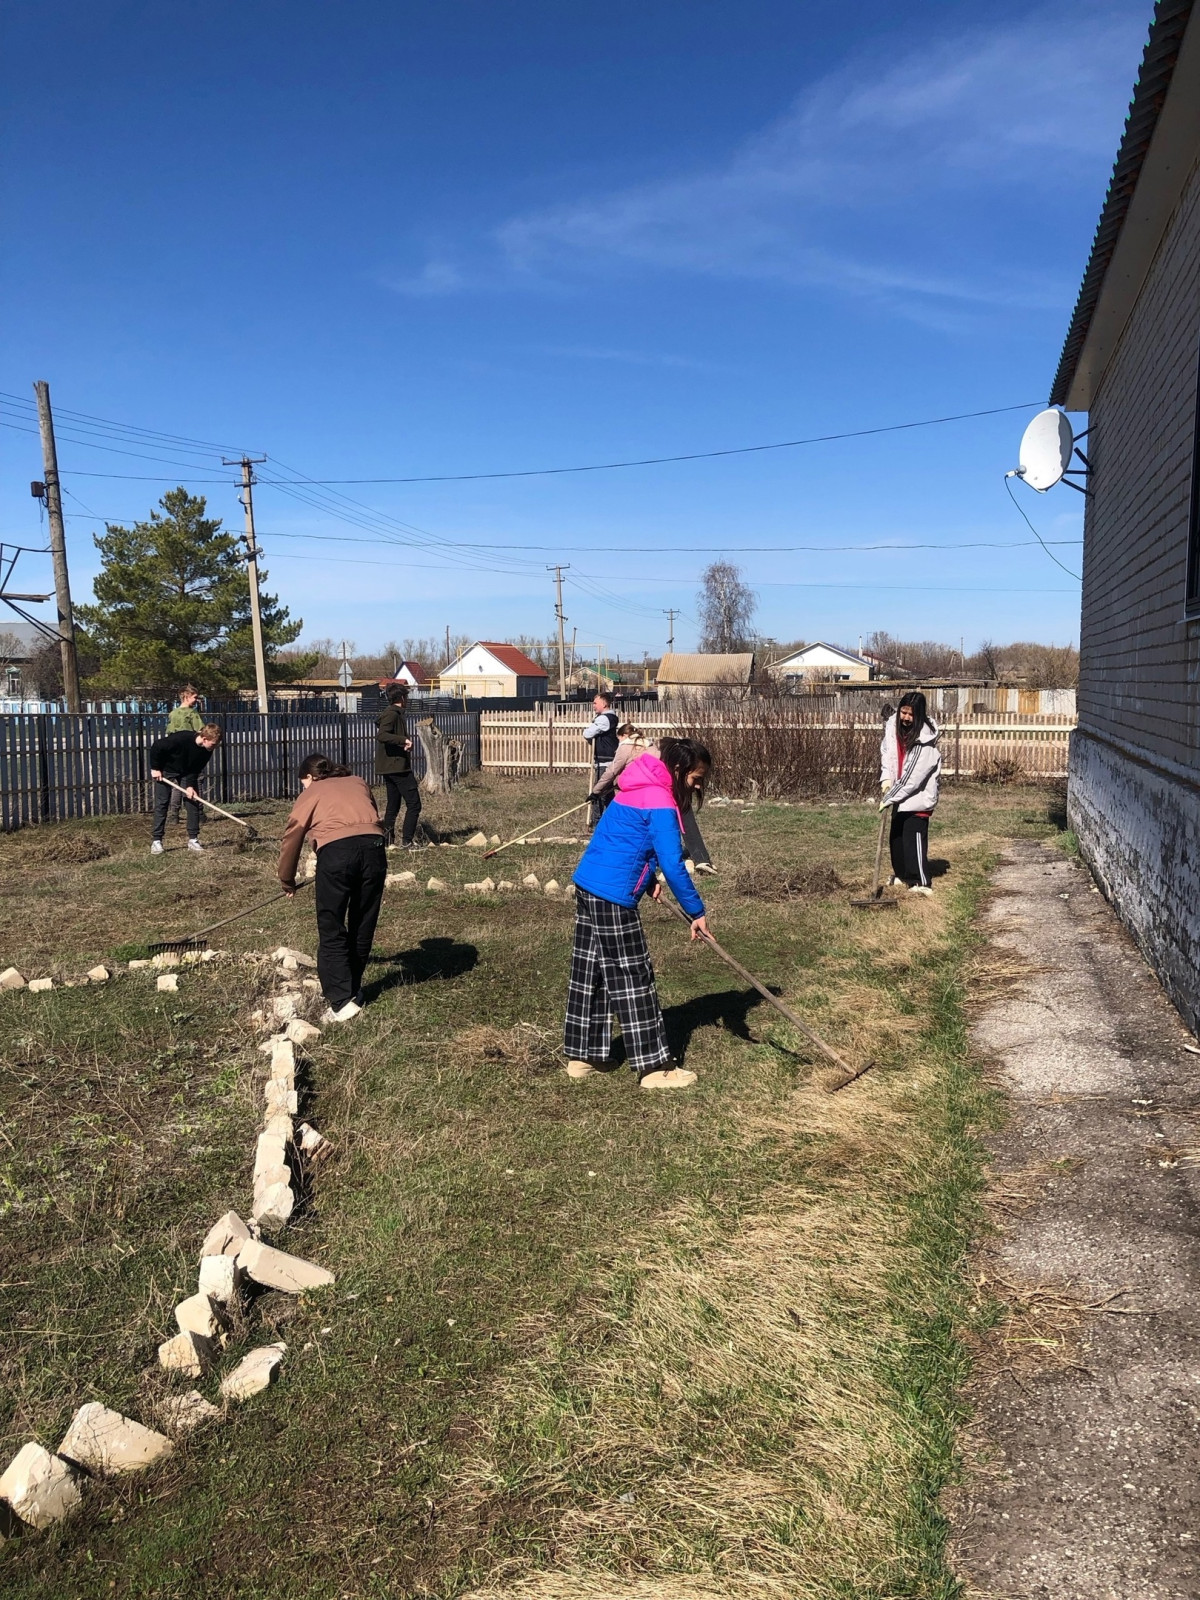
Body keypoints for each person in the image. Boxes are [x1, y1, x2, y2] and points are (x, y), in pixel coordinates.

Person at [566, 736, 712, 1090]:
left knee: (593, 970)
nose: (697, 786)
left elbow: (622, 839)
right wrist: (697, 910)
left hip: (590, 884)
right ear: (677, 770)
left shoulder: (635, 785)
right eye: (695, 779)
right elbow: (674, 865)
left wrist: (645, 881)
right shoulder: (660, 799)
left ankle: (585, 1056)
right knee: (633, 975)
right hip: (613, 896)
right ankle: (654, 1067)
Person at [277, 754, 387, 1024]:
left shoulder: (313, 791)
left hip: (337, 855)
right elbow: (370, 816)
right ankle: (353, 989)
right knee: (363, 922)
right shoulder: (358, 781)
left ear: (310, 777)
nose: (303, 787)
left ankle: (340, 1002)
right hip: (374, 851)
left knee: (332, 924)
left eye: (303, 782)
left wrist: (286, 879)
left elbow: (293, 834)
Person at [592, 726, 718, 876]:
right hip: (658, 788)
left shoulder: (626, 748)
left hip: (654, 791)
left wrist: (596, 791)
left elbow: (612, 771)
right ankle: (699, 858)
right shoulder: (651, 745)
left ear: (625, 735)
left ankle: (688, 859)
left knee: (667, 823)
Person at [880, 691, 941, 895]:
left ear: (920, 716)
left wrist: (890, 796)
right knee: (896, 839)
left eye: (911, 714)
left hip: (917, 798)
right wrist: (886, 779)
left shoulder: (925, 742)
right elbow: (887, 756)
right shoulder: (894, 730)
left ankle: (921, 882)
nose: (905, 718)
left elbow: (912, 779)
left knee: (912, 837)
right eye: (903, 712)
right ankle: (903, 875)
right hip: (900, 794)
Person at [149, 723, 223, 854]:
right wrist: (155, 768)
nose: (214, 747)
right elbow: (157, 746)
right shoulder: (181, 739)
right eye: (213, 744)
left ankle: (193, 840)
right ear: (204, 738)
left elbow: (195, 768)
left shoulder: (207, 750)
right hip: (166, 770)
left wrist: (189, 785)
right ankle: (157, 841)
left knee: (193, 801)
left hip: (186, 772)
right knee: (162, 803)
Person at [376, 683, 423, 847]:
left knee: (393, 805)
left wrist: (401, 743)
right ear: (402, 698)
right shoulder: (392, 714)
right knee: (414, 804)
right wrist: (403, 740)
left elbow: (387, 736)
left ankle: (388, 841)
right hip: (397, 767)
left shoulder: (391, 713)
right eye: (407, 697)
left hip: (390, 766)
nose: (408, 700)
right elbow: (382, 735)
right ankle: (407, 842)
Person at [165, 686, 204, 826]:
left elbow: (169, 733)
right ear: (186, 696)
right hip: (189, 752)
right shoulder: (192, 714)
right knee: (194, 780)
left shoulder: (173, 714)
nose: (196, 700)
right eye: (194, 697)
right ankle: (199, 812)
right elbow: (201, 732)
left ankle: (173, 814)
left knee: (177, 784)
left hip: (175, 754)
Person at [582, 692, 620, 825]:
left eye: (595, 703)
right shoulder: (606, 717)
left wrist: (588, 732)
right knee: (608, 793)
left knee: (598, 792)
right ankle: (612, 821)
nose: (593, 705)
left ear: (604, 704)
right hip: (605, 759)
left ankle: (596, 822)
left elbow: (588, 733)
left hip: (605, 761)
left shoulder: (605, 719)